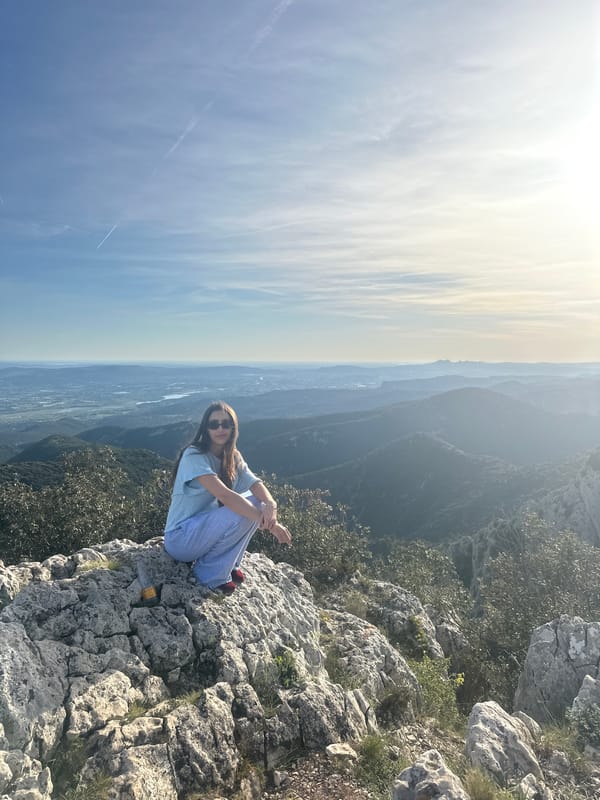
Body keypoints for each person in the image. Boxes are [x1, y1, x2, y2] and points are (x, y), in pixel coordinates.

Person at [164, 401, 292, 594]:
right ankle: (209, 574)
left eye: (226, 423)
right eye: (214, 424)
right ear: (205, 429)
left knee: (255, 502)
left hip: (201, 531)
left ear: (233, 427)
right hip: (180, 539)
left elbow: (255, 484)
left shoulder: (231, 455)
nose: (220, 428)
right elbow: (224, 494)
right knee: (244, 509)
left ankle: (229, 565)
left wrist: (270, 505)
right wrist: (270, 525)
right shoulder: (194, 455)